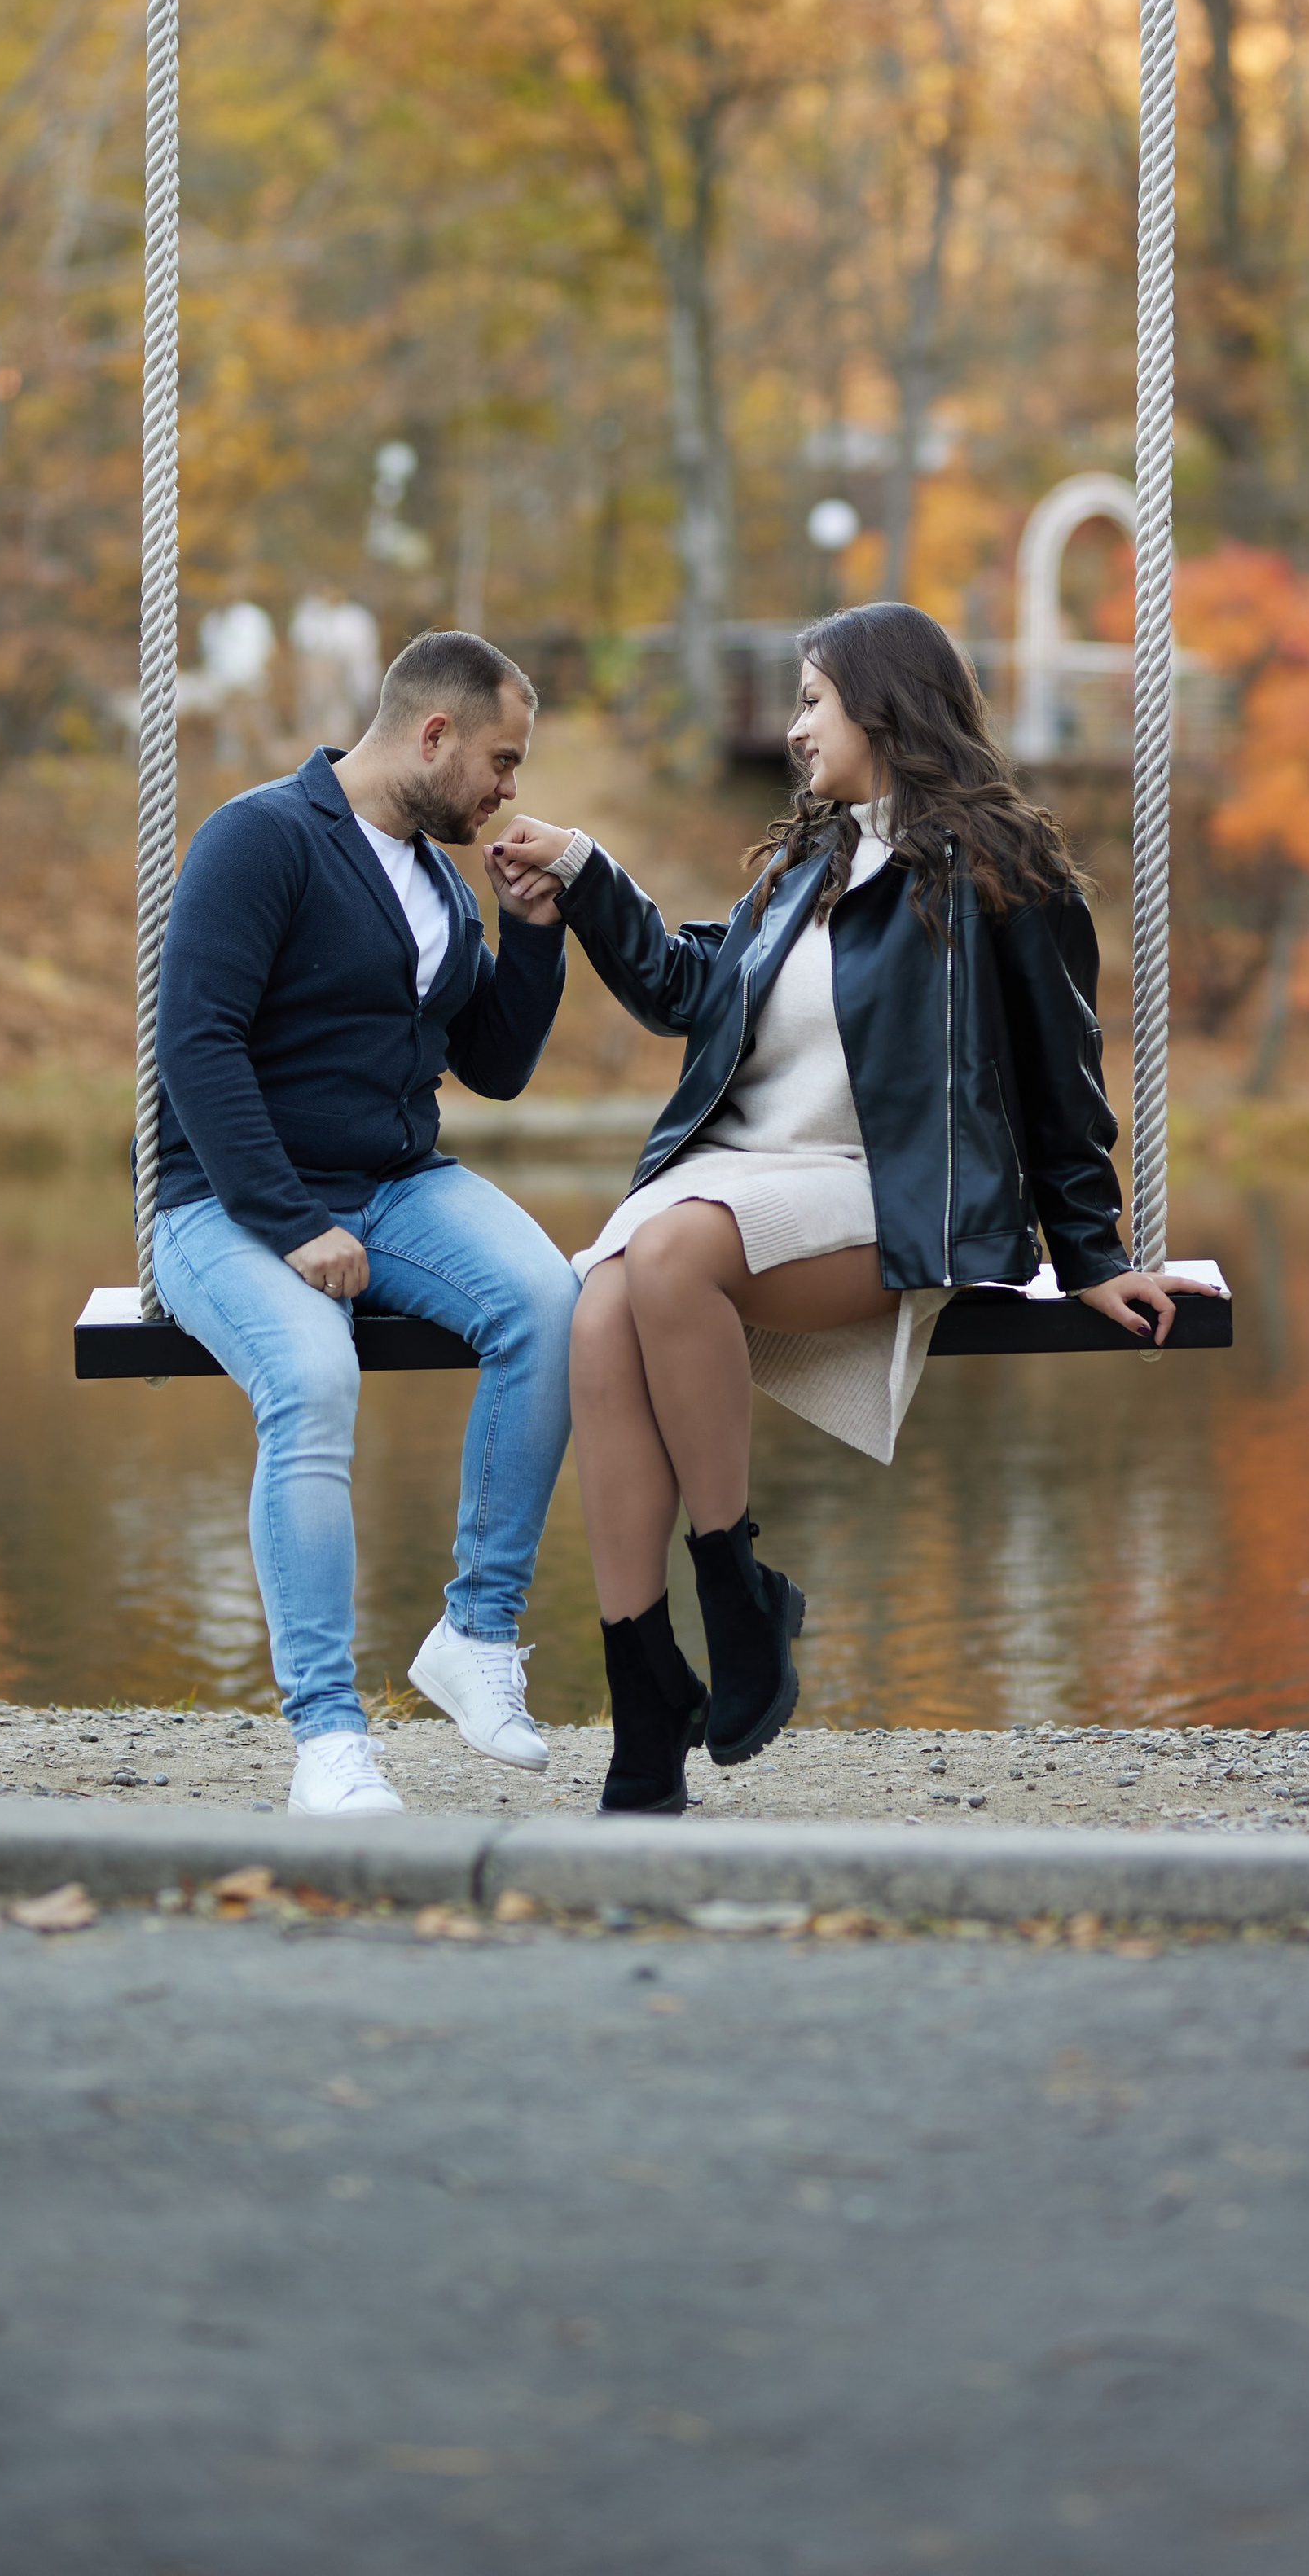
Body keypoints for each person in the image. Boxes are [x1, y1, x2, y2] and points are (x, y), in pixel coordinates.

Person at [486, 600, 1211, 1816]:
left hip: (892, 1198)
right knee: (597, 1305)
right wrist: (581, 869)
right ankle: (646, 1685)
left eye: (813, 699)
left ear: (884, 705)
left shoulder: (1001, 874)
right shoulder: (804, 869)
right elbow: (683, 990)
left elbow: (1061, 1071)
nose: (793, 727)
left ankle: (736, 1587)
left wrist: (1091, 1250)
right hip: (749, 1182)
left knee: (659, 1257)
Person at [151, 628, 581, 1816]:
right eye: (500, 762)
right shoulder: (263, 838)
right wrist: (290, 1221)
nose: (509, 790)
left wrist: (534, 933)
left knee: (551, 1304)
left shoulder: (439, 883)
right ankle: (330, 1739)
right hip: (225, 1203)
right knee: (313, 1375)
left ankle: (476, 1636)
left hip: (395, 1186)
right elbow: (196, 1044)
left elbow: (492, 1067)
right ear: (433, 734)